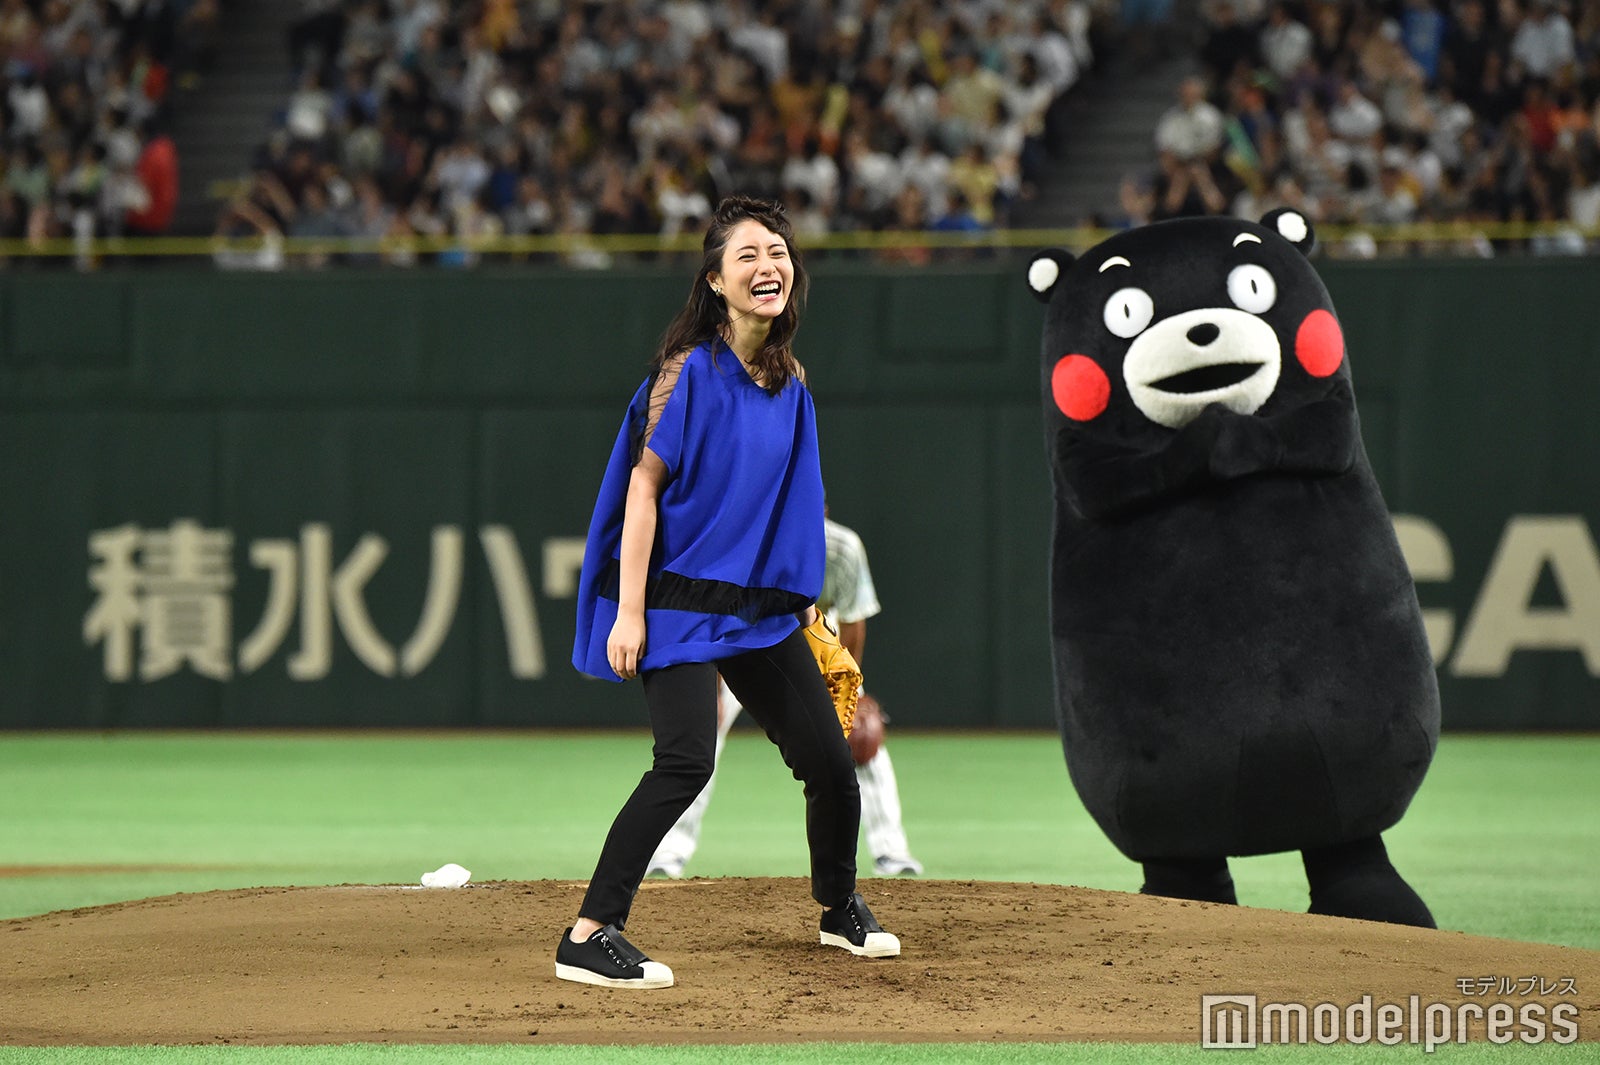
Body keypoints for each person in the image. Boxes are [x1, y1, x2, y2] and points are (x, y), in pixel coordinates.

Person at [561, 196, 901, 990]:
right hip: (677, 603)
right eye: (747, 254)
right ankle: (588, 931)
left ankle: (838, 907)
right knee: (684, 762)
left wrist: (804, 611)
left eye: (777, 252)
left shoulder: (791, 384)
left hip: (754, 610)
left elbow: (786, 511)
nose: (767, 265)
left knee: (830, 760)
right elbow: (642, 493)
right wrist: (632, 611)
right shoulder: (686, 371)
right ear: (715, 280)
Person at [647, 515, 924, 880]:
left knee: (859, 736)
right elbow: (713, 613)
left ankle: (891, 850)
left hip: (814, 632)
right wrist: (710, 692)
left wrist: (851, 686)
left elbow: (853, 621)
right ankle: (669, 853)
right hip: (742, 630)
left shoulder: (841, 547)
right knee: (699, 738)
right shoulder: (745, 534)